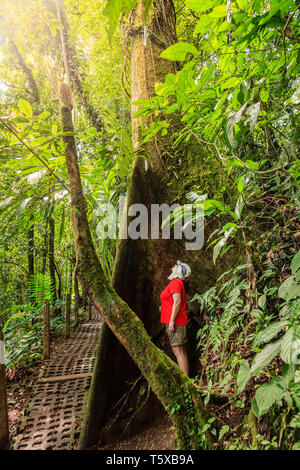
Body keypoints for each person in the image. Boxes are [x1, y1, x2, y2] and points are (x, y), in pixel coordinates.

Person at [160, 260, 191, 376]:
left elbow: (177, 302)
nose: (173, 266)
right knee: (179, 351)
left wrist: (172, 321)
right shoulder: (176, 283)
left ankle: (186, 381)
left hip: (176, 322)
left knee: (179, 352)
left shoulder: (176, 283)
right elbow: (172, 301)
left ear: (179, 271)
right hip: (175, 321)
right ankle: (186, 380)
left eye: (176, 266)